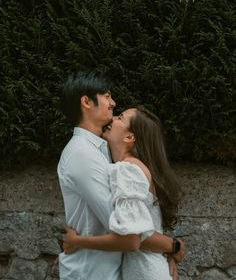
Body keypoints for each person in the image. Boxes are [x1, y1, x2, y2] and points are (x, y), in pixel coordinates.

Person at [57, 71, 184, 280]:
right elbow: (129, 231)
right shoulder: (82, 154)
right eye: (107, 96)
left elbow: (134, 227)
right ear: (86, 102)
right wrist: (172, 246)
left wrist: (170, 248)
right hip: (92, 273)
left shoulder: (105, 152)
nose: (113, 103)